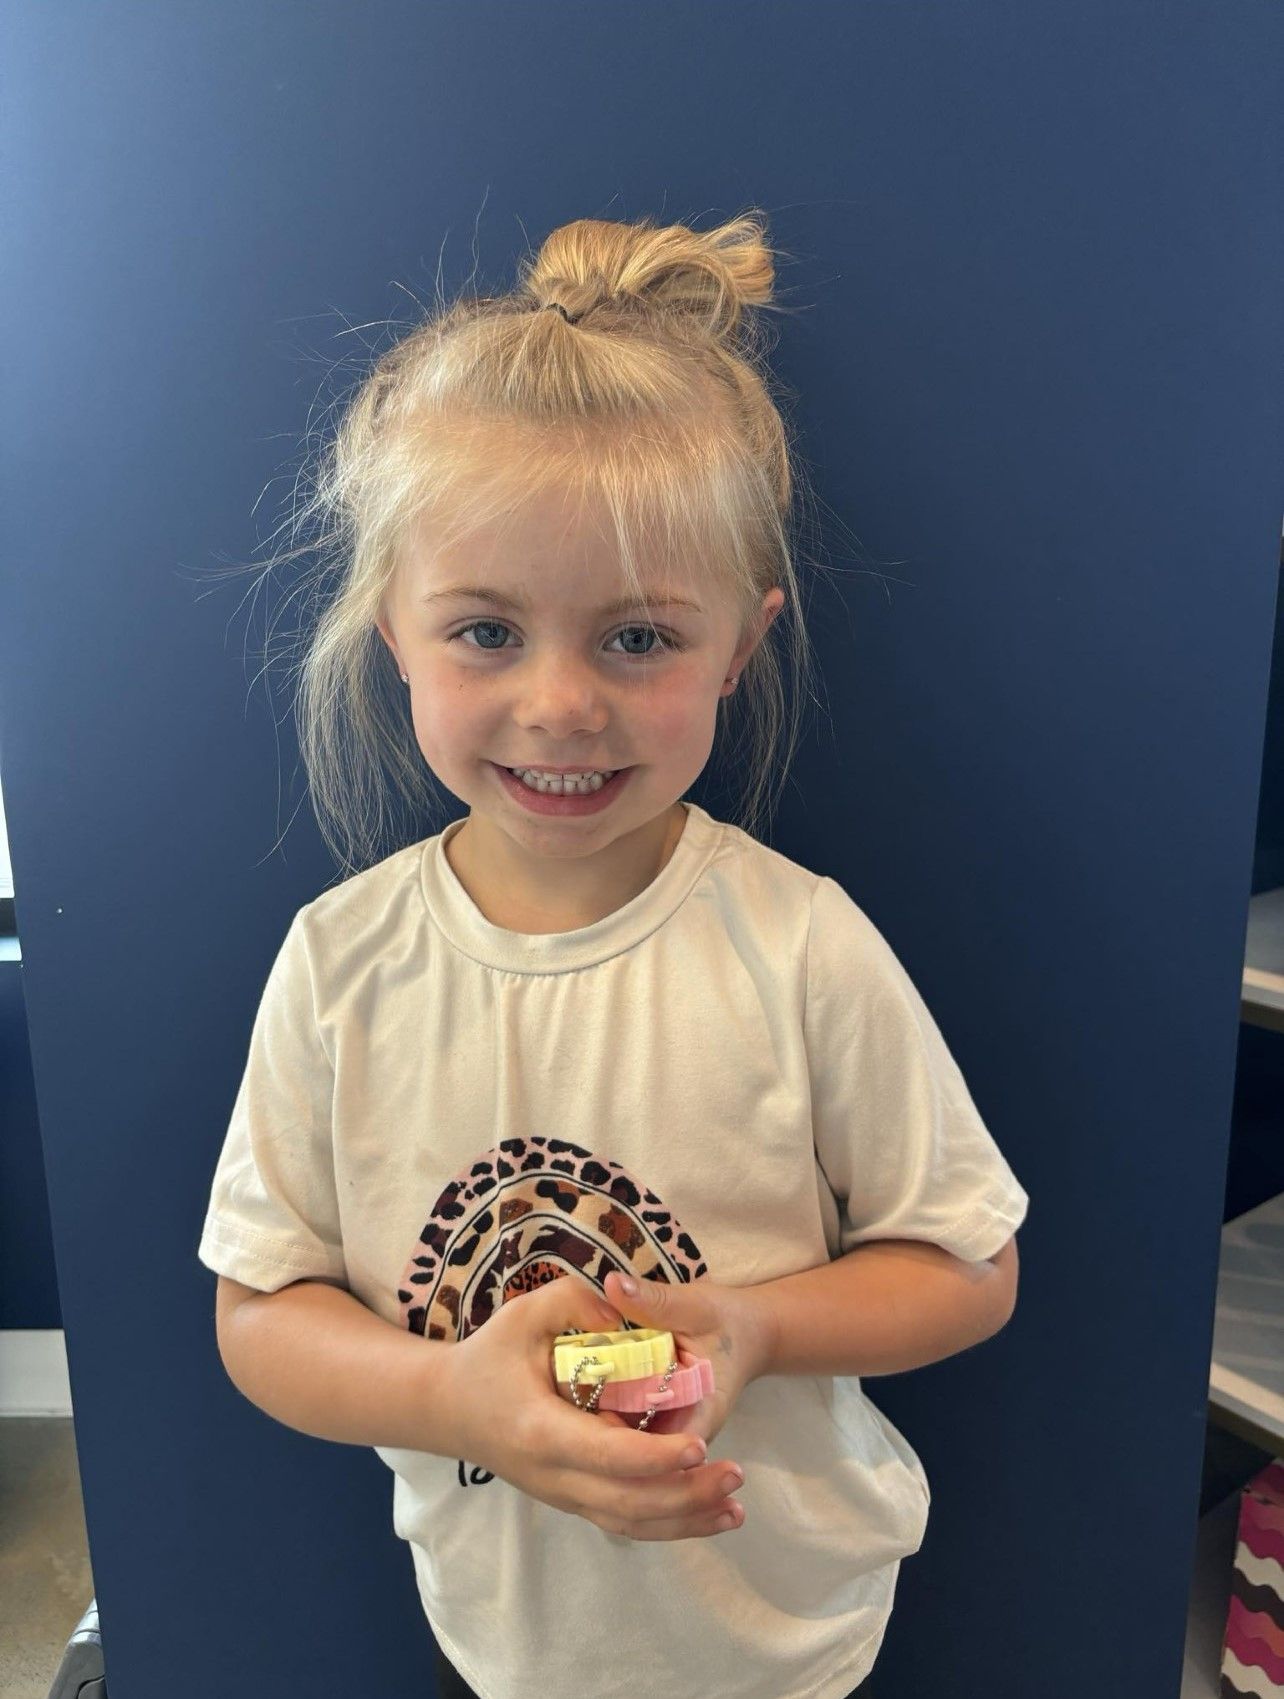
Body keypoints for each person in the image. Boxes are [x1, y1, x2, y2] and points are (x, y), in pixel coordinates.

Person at [199, 209, 1029, 1699]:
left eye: (639, 638)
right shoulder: (339, 963)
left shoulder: (801, 945)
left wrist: (757, 1328)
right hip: (502, 1640)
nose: (562, 706)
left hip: (785, 1637)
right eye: (485, 632)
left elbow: (967, 1264)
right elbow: (261, 1314)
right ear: (393, 628)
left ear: (741, 644)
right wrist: (455, 1399)